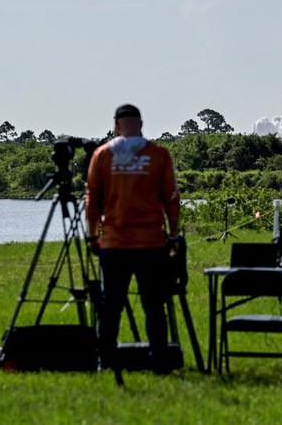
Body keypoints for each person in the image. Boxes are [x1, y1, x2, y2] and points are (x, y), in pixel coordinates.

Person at [86, 103, 181, 373]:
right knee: (154, 305)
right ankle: (160, 362)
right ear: (141, 124)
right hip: (151, 243)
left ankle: (106, 361)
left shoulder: (102, 155)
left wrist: (93, 236)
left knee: (110, 306)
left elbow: (92, 199)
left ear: (116, 125)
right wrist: (172, 235)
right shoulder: (159, 155)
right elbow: (172, 199)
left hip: (114, 244)